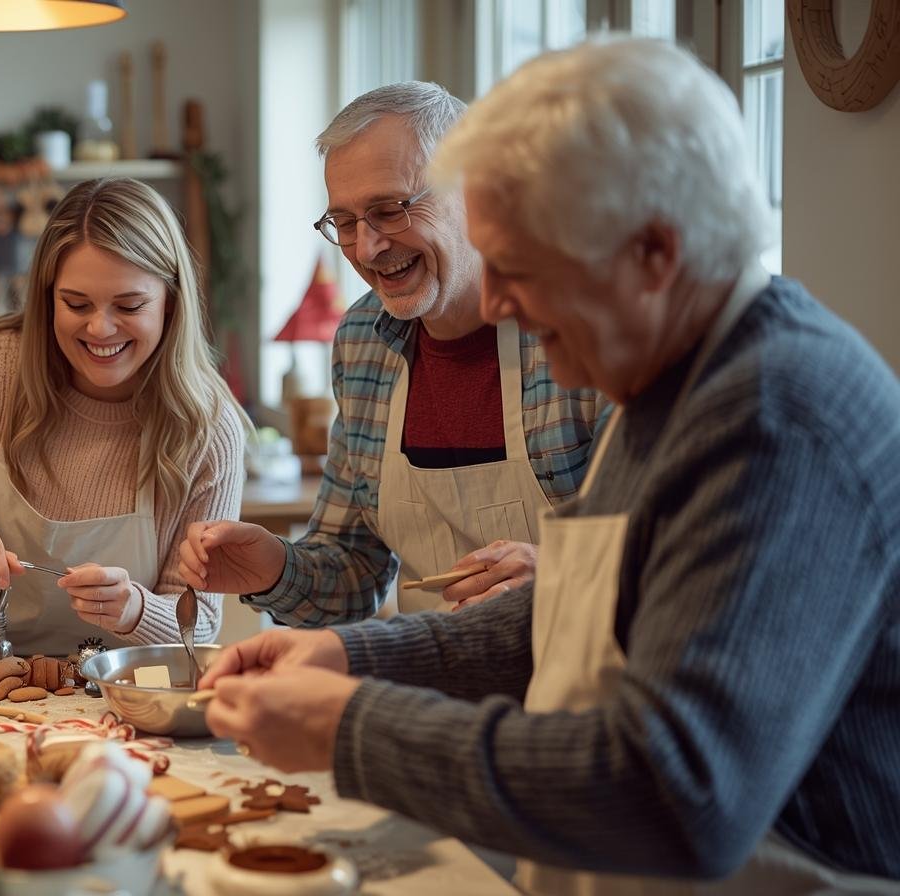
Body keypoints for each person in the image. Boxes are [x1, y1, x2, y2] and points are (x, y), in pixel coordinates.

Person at [201, 37, 900, 892]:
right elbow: (573, 614)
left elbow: (679, 795)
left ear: (654, 253)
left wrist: (355, 724)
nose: (495, 304)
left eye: (522, 269)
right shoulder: (671, 376)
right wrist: (361, 661)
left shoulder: (774, 417)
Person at [179, 82, 606, 621]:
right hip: (433, 691)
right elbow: (354, 569)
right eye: (345, 222)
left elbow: (675, 555)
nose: (367, 247)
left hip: (583, 687)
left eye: (390, 209)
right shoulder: (363, 340)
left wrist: (562, 569)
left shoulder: (586, 331)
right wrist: (274, 569)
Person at [0, 178, 247, 656]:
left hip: (117, 701)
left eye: (130, 305)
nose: (101, 328)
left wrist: (134, 610)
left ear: (171, 303)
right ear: (46, 295)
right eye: (76, 304)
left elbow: (199, 627)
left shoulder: (205, 425)